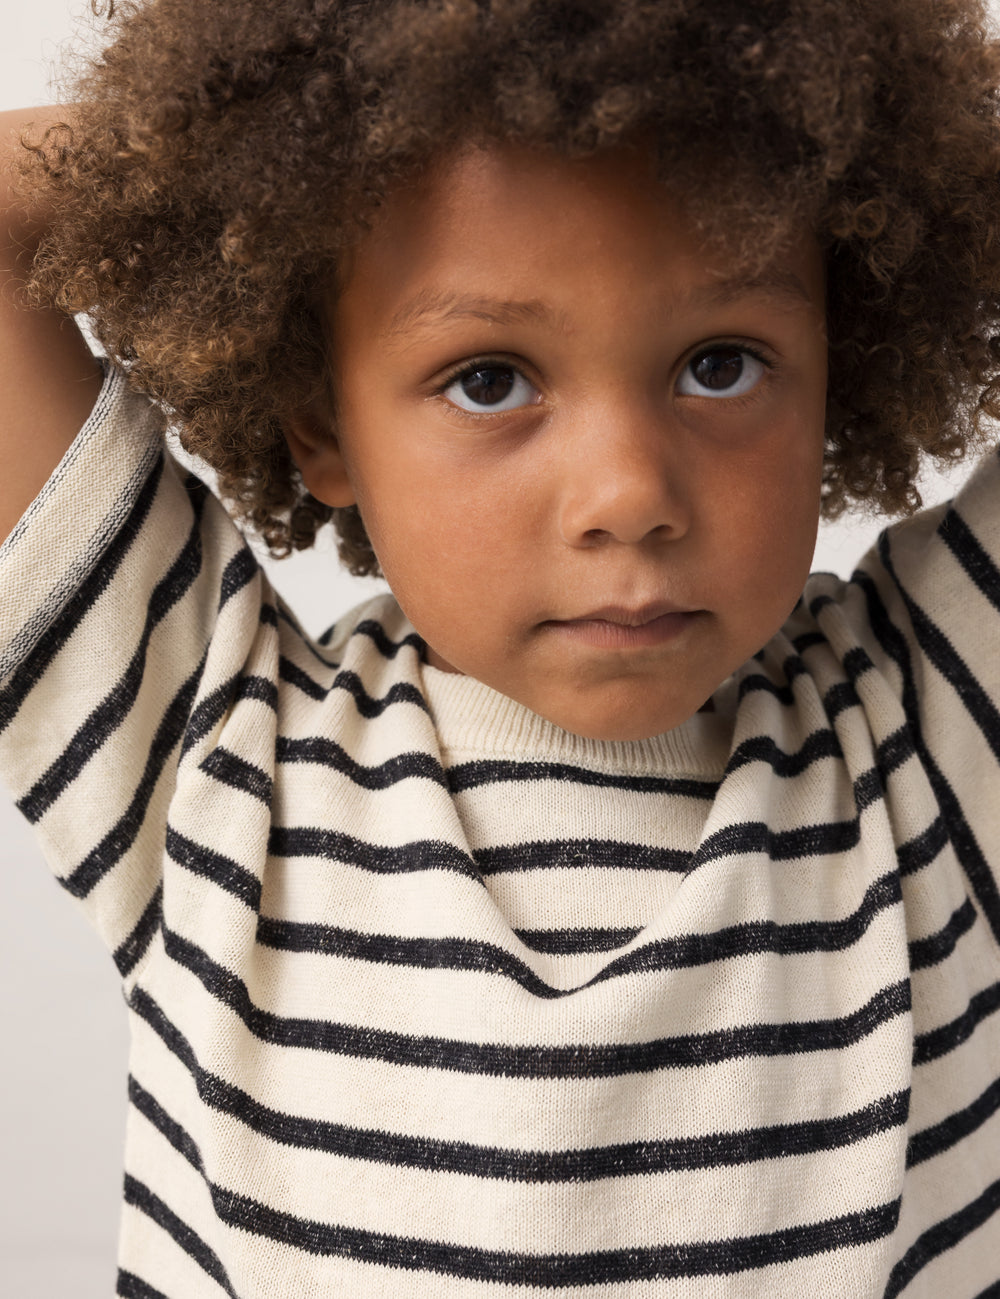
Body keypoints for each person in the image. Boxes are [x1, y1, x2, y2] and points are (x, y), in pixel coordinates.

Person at [2, 0, 999, 1294]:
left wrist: (903, 152)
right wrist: (217, 160)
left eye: (720, 363)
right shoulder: (211, 757)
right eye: (490, 378)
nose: (628, 490)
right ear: (322, 422)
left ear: (841, 354)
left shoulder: (931, 740)